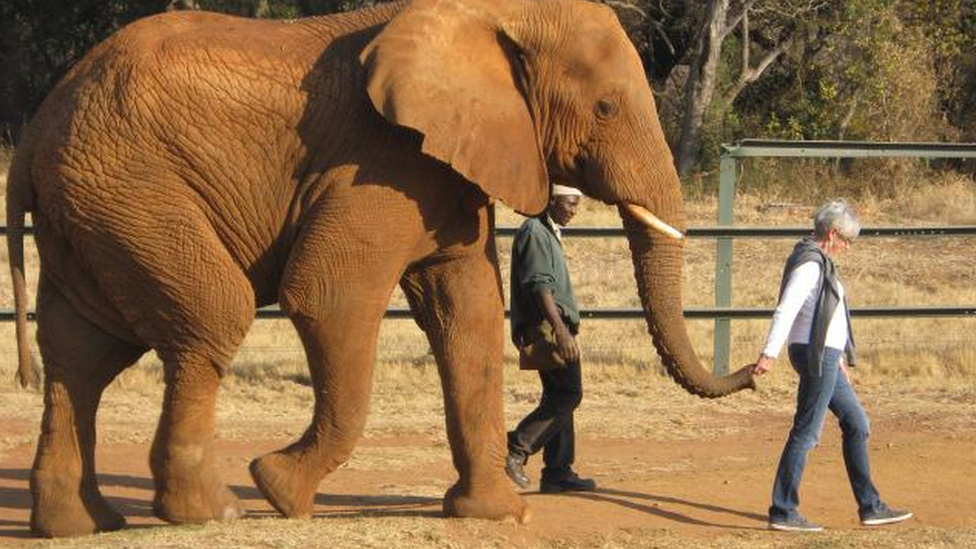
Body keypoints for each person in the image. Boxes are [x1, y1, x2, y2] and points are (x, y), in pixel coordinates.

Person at [753, 199, 912, 532]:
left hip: (826, 355)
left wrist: (839, 357)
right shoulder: (811, 264)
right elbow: (787, 308)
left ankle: (870, 507)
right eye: (846, 240)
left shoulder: (819, 261)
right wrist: (769, 353)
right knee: (807, 431)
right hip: (815, 354)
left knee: (857, 423)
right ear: (831, 232)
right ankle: (783, 510)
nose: (848, 248)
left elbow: (827, 316)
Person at [504, 184, 597, 494]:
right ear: (552, 200)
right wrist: (559, 329)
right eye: (570, 203)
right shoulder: (535, 232)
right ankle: (518, 447)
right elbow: (539, 285)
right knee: (568, 395)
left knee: (558, 396)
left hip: (554, 325)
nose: (574, 210)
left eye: (577, 204)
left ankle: (558, 471)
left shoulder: (548, 231)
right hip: (547, 327)